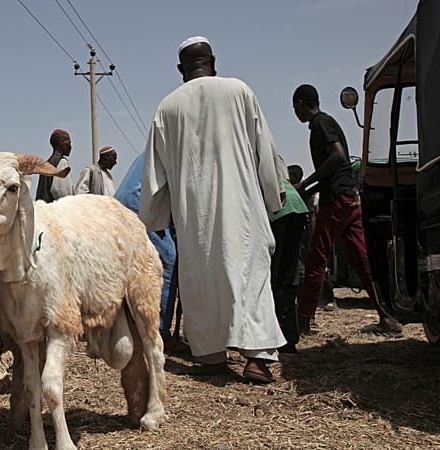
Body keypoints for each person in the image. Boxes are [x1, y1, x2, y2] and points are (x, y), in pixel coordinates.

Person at [140, 36, 287, 383]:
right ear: (213, 61)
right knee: (250, 275)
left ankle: (210, 356)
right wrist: (274, 193)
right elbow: (264, 148)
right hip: (243, 209)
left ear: (180, 69)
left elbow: (154, 172)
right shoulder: (239, 91)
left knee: (201, 279)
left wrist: (155, 218)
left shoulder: (167, 107)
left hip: (195, 218)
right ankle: (257, 359)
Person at [291, 84, 402, 335]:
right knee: (361, 260)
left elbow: (338, 157)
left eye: (295, 107)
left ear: (301, 104)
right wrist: (308, 190)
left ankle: (303, 320)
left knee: (316, 259)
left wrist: (306, 183)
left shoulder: (320, 123)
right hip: (349, 197)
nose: (295, 113)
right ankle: (387, 318)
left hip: (337, 201)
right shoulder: (327, 122)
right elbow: (337, 169)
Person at [114, 152, 188, 354]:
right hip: (141, 204)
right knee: (167, 262)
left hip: (126, 204)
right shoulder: (172, 151)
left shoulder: (151, 150)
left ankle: (126, 327)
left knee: (132, 268)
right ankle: (160, 332)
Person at [268, 158, 309, 354]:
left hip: (277, 207)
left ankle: (274, 336)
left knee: (272, 277)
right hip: (296, 206)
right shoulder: (271, 151)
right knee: (288, 275)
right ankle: (289, 338)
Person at [35, 129, 74, 202]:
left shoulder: (46, 164)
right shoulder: (62, 163)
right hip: (55, 208)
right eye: (69, 142)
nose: (70, 146)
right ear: (62, 142)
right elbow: (63, 193)